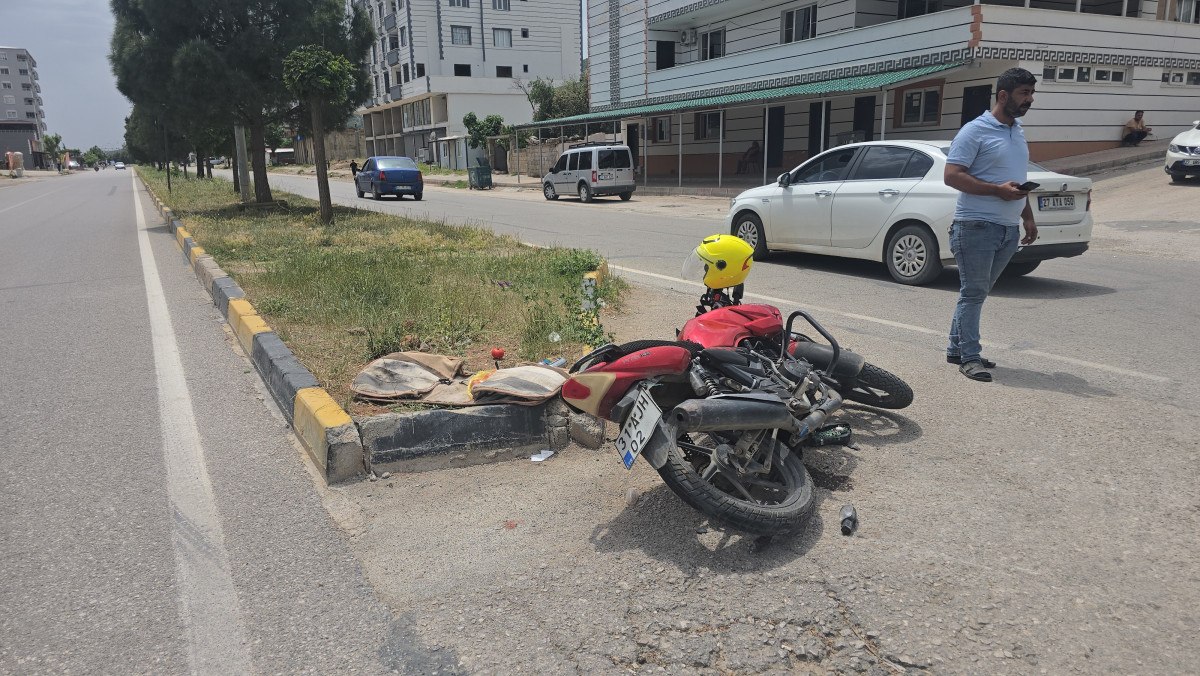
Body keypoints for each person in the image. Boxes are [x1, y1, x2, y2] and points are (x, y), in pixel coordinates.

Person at [943, 67, 1039, 383]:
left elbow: (1017, 180)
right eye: (1024, 93)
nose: (1030, 99)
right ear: (1003, 95)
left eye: (1031, 93)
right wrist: (997, 191)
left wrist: (1027, 217)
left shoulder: (1018, 131)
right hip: (975, 226)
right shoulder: (975, 130)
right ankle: (969, 358)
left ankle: (957, 348)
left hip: (1007, 229)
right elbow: (952, 175)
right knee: (973, 293)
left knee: (977, 293)